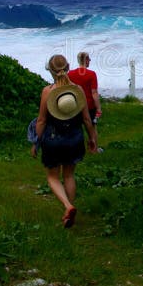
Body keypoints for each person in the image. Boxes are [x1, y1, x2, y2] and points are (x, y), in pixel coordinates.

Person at [32, 54, 98, 228]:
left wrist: (35, 143)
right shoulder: (77, 90)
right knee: (69, 175)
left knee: (53, 177)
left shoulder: (48, 91)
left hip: (53, 140)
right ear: (68, 67)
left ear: (51, 70)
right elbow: (86, 119)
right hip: (74, 139)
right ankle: (70, 211)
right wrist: (92, 138)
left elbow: (41, 121)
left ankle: (68, 206)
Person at [68, 51, 102, 124]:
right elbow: (94, 93)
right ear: (86, 60)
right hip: (89, 107)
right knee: (92, 129)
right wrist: (98, 108)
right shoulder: (91, 74)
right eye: (89, 59)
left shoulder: (70, 73)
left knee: (76, 128)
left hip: (75, 106)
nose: (90, 61)